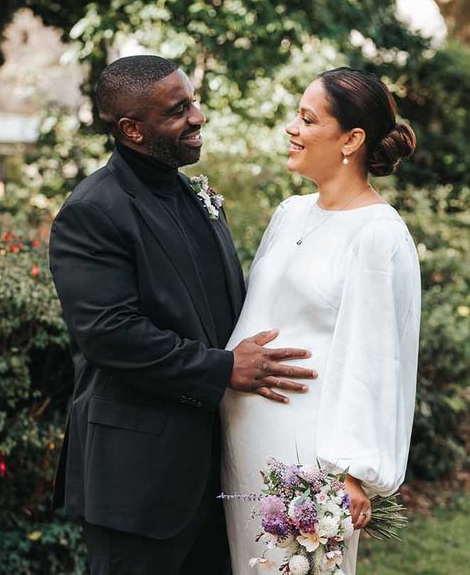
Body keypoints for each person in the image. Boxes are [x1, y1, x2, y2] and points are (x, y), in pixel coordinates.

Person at [48, 55, 317, 575]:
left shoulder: (196, 194)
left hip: (219, 476)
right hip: (138, 484)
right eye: (178, 110)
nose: (198, 117)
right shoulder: (94, 211)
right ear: (132, 129)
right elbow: (110, 335)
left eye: (192, 101)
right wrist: (224, 368)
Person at [221, 68, 421, 574]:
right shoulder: (290, 212)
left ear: (352, 139)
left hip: (307, 456)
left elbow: (376, 358)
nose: (292, 128)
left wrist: (352, 471)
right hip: (242, 442)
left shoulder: (378, 235)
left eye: (308, 120)